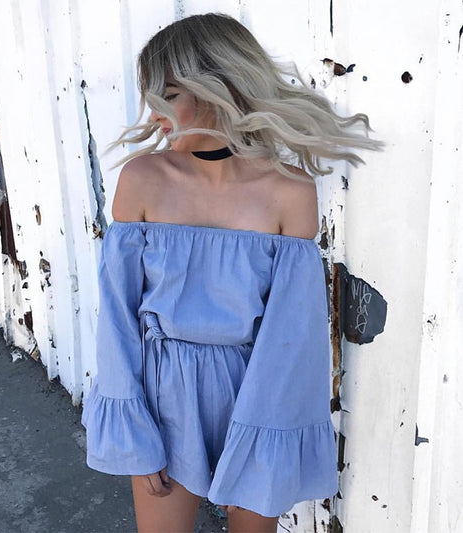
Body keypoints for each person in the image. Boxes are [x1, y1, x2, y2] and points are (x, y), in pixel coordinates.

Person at [81, 12, 383, 533]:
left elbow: (292, 336)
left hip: (260, 390)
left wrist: (268, 430)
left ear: (218, 88)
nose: (154, 116)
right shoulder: (143, 180)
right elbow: (116, 318)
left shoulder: (289, 191)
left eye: (167, 96)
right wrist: (134, 427)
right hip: (163, 394)